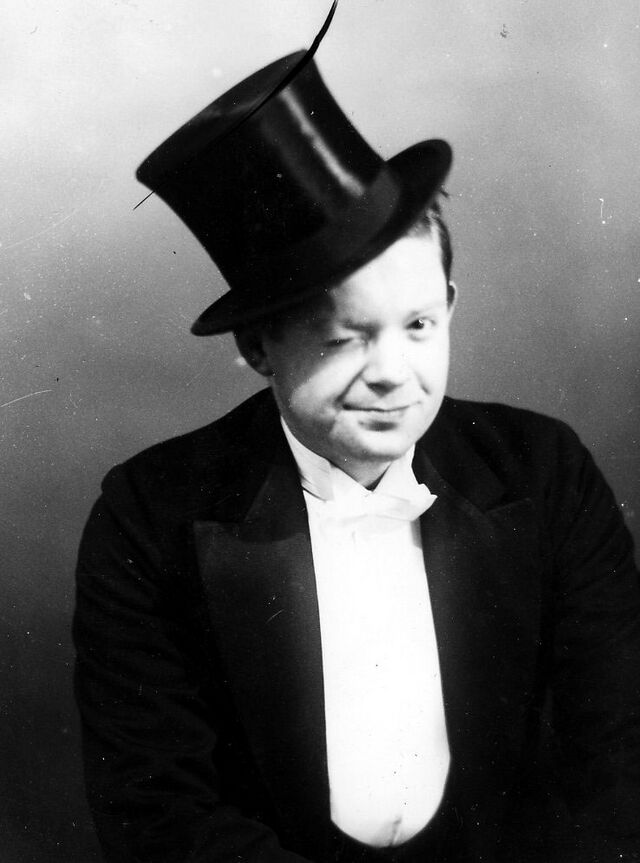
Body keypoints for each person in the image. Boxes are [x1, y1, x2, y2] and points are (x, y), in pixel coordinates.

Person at [73, 48, 640, 863]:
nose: (393, 373)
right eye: (345, 337)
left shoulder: (545, 471)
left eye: (419, 325)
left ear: (450, 306)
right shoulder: (148, 516)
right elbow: (159, 814)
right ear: (258, 346)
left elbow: (616, 765)